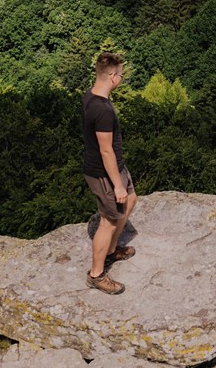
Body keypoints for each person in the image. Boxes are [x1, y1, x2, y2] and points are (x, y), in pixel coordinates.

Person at [82, 51, 137, 294]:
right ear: (113, 76)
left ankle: (113, 250)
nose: (122, 78)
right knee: (109, 220)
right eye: (121, 74)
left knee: (131, 200)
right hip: (104, 173)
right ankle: (96, 274)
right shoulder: (103, 110)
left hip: (114, 167)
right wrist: (117, 184)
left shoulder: (90, 97)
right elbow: (106, 151)